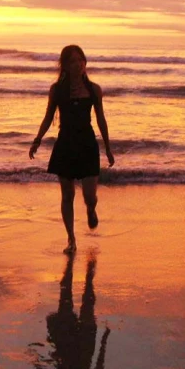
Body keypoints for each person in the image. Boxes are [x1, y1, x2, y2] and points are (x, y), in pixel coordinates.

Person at [29, 45, 114, 254]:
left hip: (87, 144)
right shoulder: (57, 90)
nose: (78, 64)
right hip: (65, 144)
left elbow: (101, 120)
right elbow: (49, 117)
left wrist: (108, 148)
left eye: (81, 60)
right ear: (65, 66)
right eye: (73, 61)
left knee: (89, 196)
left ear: (85, 63)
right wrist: (37, 139)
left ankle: (91, 209)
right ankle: (71, 240)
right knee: (67, 195)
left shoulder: (94, 89)